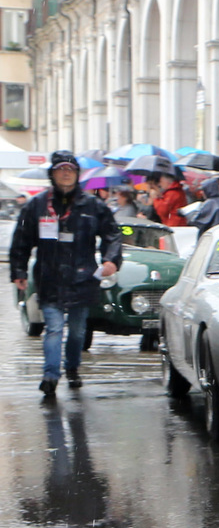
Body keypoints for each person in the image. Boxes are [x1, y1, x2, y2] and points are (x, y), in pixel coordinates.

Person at [9, 151, 122, 396]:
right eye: (61, 169)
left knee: (78, 330)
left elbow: (112, 235)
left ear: (77, 174)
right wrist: (18, 270)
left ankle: (72, 367)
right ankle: (50, 375)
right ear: (53, 173)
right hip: (49, 277)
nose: (65, 174)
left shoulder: (92, 205)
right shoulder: (37, 205)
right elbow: (21, 239)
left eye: (70, 170)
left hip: (83, 277)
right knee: (54, 328)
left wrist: (111, 259)